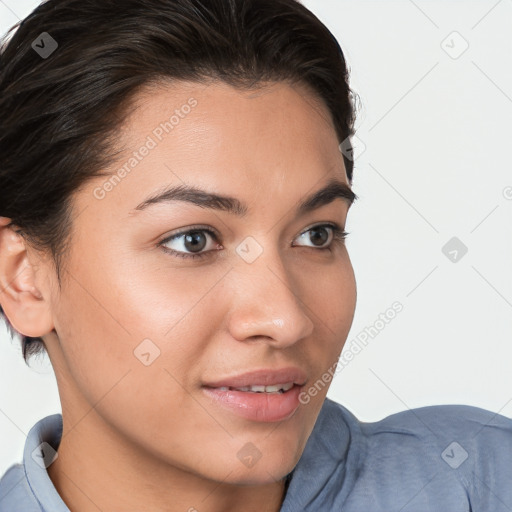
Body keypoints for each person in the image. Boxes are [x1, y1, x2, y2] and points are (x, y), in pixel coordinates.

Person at [0, 0, 511, 511]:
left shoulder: (477, 481)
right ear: (25, 278)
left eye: (316, 234)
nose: (286, 320)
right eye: (193, 240)